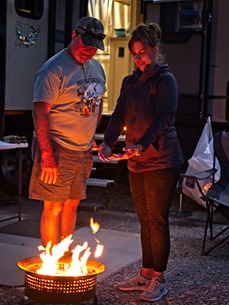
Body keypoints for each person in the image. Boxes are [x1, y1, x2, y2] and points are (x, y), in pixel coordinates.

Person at [97, 23, 184, 302]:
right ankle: (145, 274)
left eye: (143, 52)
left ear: (155, 50)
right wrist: (110, 141)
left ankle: (159, 279)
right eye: (135, 53)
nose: (139, 58)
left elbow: (164, 119)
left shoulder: (165, 80)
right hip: (136, 162)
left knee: (157, 220)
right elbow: (119, 113)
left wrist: (141, 144)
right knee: (144, 220)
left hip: (162, 160)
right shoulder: (129, 82)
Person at [29, 17, 106, 250]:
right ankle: (50, 262)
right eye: (86, 44)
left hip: (82, 150)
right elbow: (40, 111)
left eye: (94, 47)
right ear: (74, 36)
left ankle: (64, 256)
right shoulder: (54, 68)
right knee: (53, 206)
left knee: (72, 204)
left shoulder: (97, 68)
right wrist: (47, 156)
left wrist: (91, 135)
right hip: (58, 147)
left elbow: (98, 102)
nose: (89, 51)